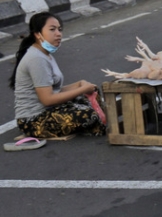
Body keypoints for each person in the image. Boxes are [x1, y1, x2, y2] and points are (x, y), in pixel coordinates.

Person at [9, 12, 106, 141]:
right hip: (33, 119)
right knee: (88, 115)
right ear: (38, 34)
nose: (58, 34)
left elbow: (54, 90)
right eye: (52, 29)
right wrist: (82, 89)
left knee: (91, 91)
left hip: (49, 110)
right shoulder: (36, 59)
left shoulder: (45, 54)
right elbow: (47, 99)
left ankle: (92, 123)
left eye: (60, 29)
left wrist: (79, 84)